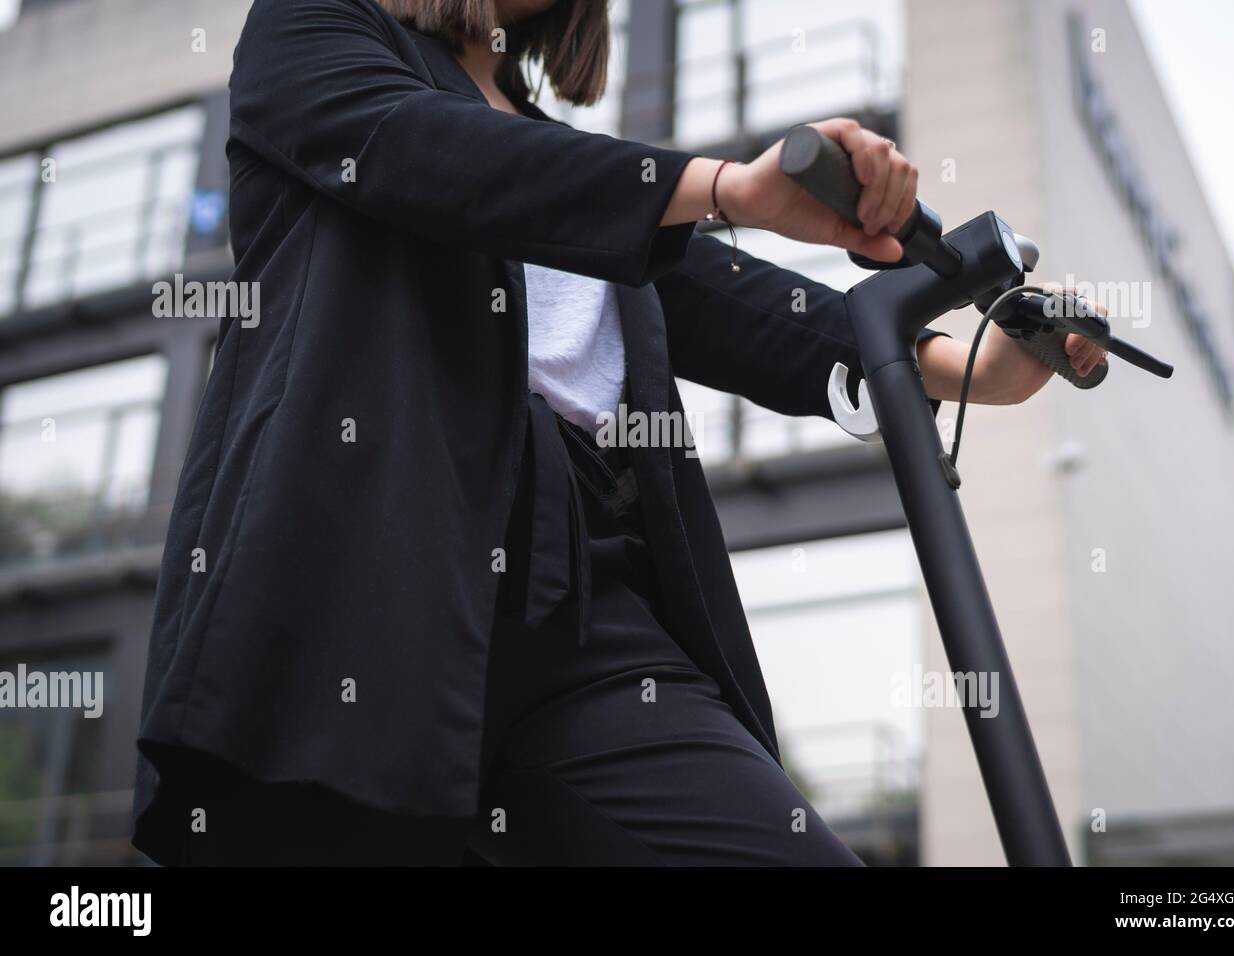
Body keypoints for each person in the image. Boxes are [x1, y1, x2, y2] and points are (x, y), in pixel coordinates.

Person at [130, 0, 1106, 866]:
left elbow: (736, 303)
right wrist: (723, 186)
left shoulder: (575, 167)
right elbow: (419, 151)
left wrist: (968, 367)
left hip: (590, 597)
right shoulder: (313, 28)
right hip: (376, 570)